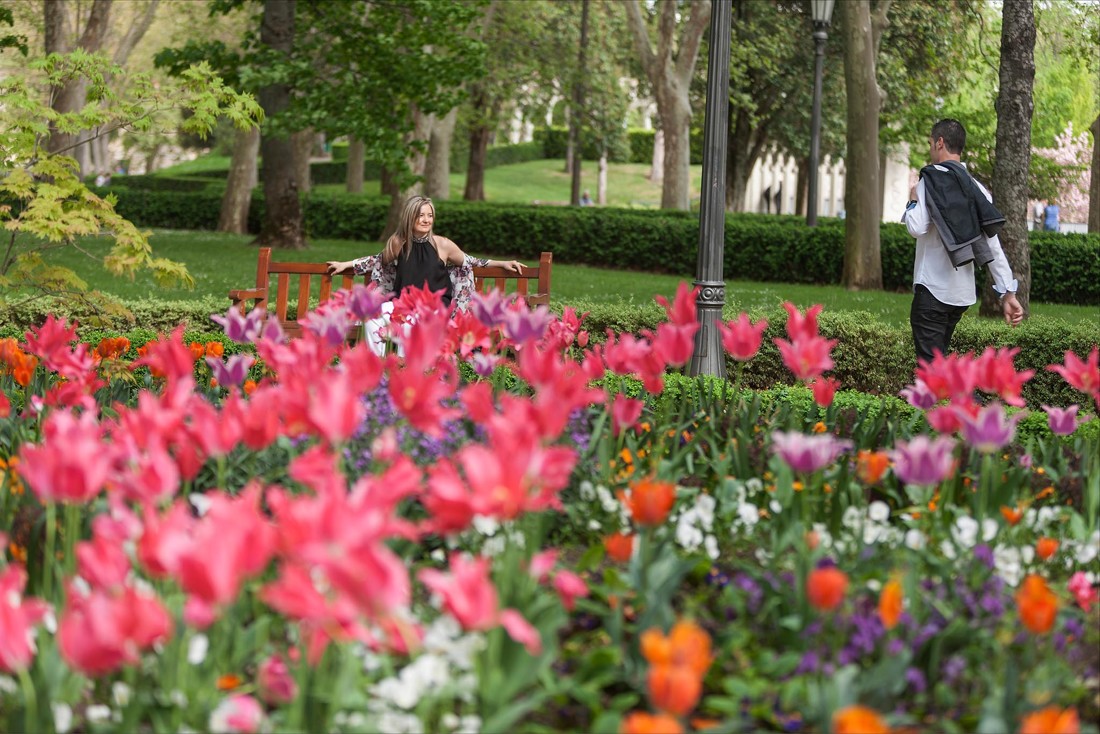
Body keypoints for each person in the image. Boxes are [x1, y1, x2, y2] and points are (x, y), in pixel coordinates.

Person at [326, 195, 525, 353]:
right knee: (371, 318)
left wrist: (502, 263)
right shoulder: (398, 243)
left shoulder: (442, 244)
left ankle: (407, 369)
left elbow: (470, 260)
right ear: (410, 217)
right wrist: (346, 264)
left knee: (408, 325)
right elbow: (377, 260)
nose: (426, 220)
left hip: (434, 307)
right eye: (421, 215)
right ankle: (379, 368)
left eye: (430, 215)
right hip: (403, 304)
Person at [902, 118, 1023, 365]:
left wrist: (912, 201)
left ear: (940, 143)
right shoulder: (976, 188)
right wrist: (1008, 293)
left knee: (931, 372)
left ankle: (954, 391)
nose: (930, 148)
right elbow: (992, 245)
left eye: (930, 143)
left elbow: (916, 227)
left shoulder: (928, 182)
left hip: (932, 290)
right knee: (938, 365)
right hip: (959, 296)